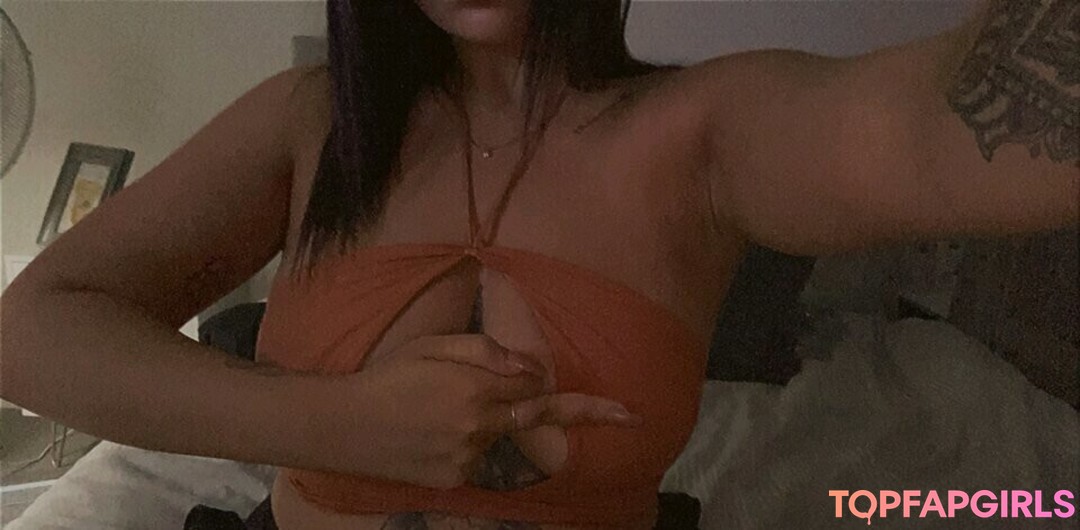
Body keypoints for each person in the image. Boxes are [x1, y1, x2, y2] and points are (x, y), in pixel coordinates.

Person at [2, 0, 1076, 529]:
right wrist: (339, 423)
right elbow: (32, 328)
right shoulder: (315, 121)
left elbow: (953, 124)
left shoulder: (705, 130)